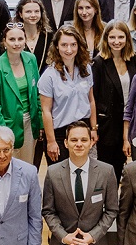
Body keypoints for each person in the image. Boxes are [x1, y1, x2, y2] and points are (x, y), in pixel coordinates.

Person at [0, 22, 44, 165]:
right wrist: (2, 134)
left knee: (28, 165)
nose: (16, 43)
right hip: (8, 124)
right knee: (8, 165)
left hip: (30, 122)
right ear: (4, 42)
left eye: (20, 39)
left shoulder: (31, 59)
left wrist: (40, 123)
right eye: (12, 39)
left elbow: (37, 93)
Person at [38, 26, 98, 162]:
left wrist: (93, 128)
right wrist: (51, 141)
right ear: (57, 47)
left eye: (73, 45)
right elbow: (46, 111)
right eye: (64, 45)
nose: (69, 50)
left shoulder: (86, 68)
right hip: (60, 134)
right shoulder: (49, 76)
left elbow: (91, 100)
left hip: (84, 129)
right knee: (62, 179)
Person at [93, 20, 136, 179]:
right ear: (106, 39)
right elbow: (94, 96)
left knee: (123, 164)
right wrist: (95, 126)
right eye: (112, 37)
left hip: (130, 121)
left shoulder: (133, 58)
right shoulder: (98, 62)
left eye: (121, 37)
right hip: (108, 125)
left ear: (127, 39)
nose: (117, 41)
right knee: (108, 168)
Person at [14, 0, 54, 67]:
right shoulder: (14, 37)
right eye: (28, 12)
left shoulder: (49, 36)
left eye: (36, 11)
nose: (33, 15)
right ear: (20, 14)